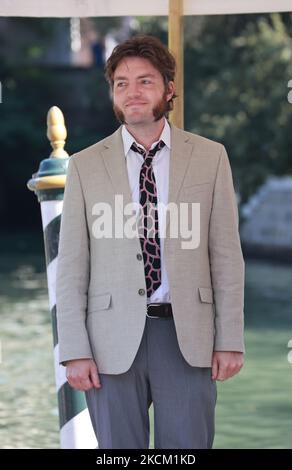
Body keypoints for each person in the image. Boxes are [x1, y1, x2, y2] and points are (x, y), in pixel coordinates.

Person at [56, 35, 245, 449]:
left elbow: (226, 256)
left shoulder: (211, 157)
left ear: (168, 89)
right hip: (108, 343)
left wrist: (229, 338)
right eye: (121, 83)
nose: (132, 92)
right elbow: (71, 266)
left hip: (187, 336)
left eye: (145, 81)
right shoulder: (84, 166)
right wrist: (74, 349)